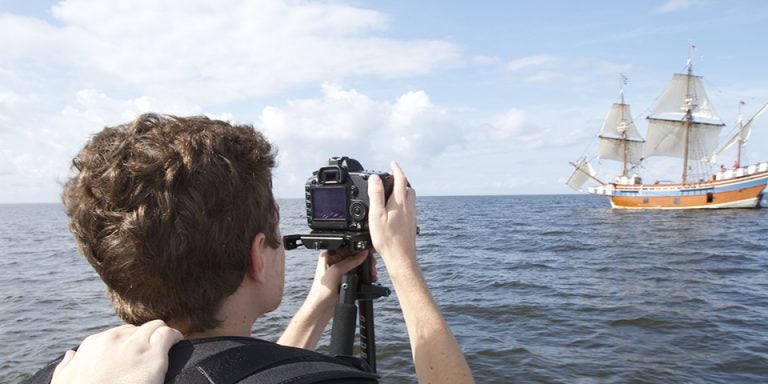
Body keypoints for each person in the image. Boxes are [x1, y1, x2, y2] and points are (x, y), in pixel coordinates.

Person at [27, 113, 473, 383]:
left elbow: (241, 367)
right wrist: (402, 264)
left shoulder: (68, 373)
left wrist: (323, 294)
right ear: (257, 256)